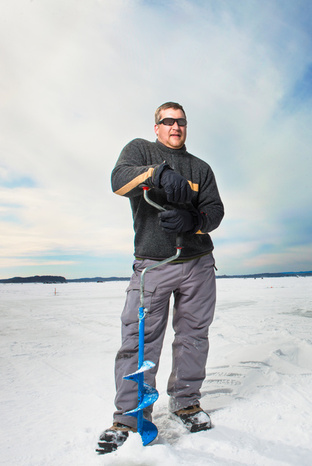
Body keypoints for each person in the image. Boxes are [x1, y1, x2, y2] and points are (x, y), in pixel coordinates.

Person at [97, 102, 224, 454]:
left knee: (194, 335)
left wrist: (193, 221)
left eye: (181, 121)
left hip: (198, 263)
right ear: (156, 127)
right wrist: (157, 174)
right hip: (153, 264)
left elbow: (215, 210)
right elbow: (118, 181)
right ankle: (129, 417)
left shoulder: (201, 167)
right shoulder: (140, 150)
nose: (175, 126)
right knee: (138, 340)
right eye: (167, 121)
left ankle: (186, 402)